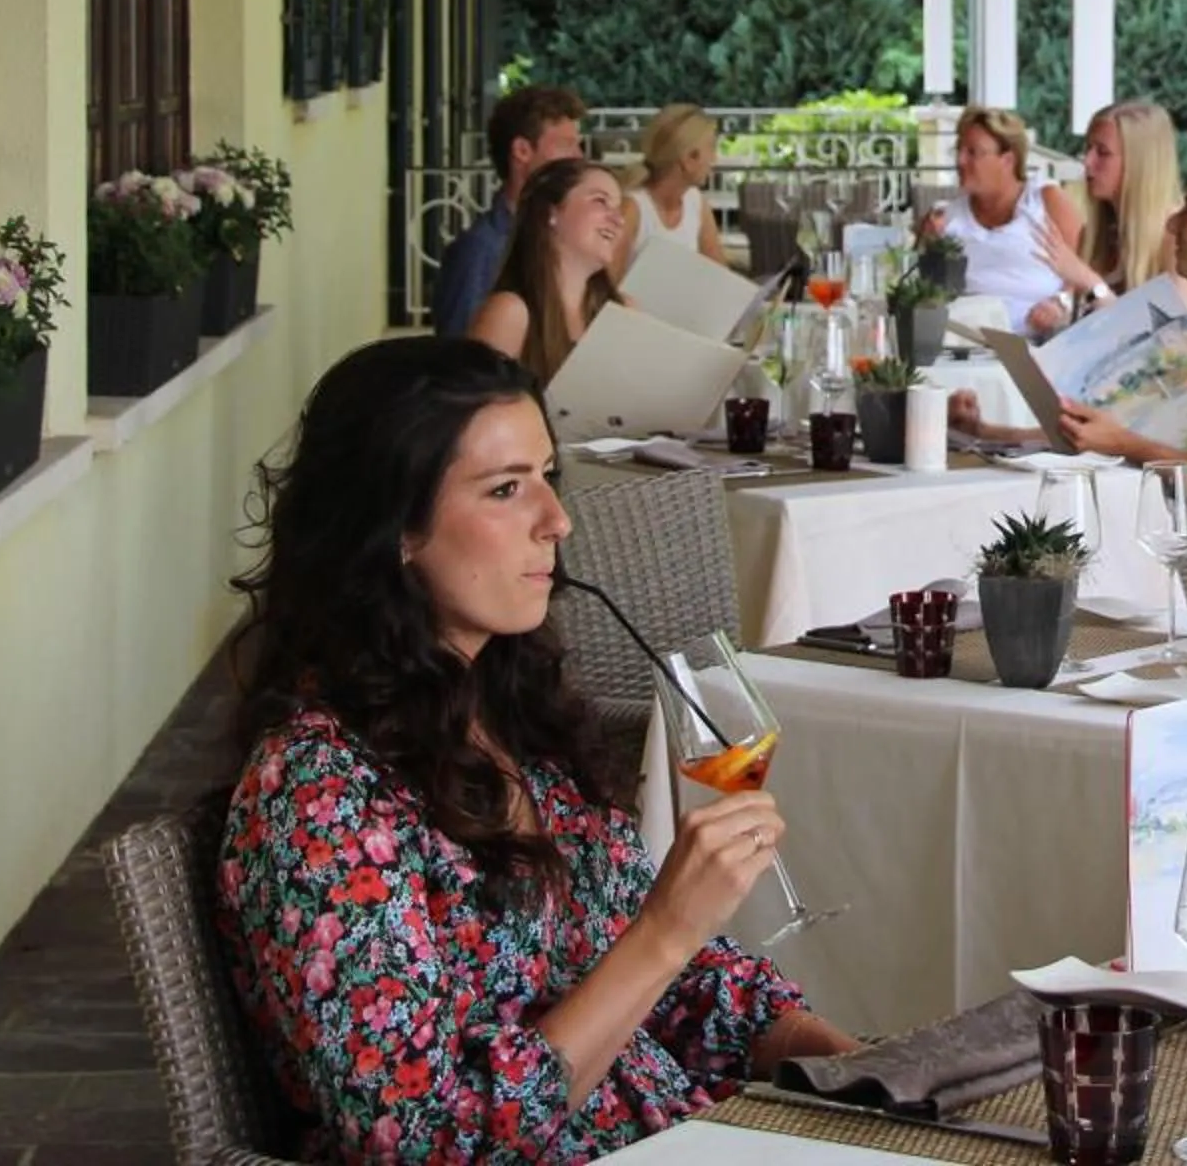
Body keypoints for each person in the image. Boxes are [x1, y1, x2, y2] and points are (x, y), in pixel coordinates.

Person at [217, 337, 857, 1162]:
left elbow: (693, 988)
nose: (557, 521)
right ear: (395, 529)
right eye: (506, 489)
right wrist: (664, 931)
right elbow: (425, 1146)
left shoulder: (514, 717)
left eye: (548, 477)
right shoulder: (317, 796)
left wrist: (862, 1073)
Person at [954, 144, 1187, 525]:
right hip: (1119, 523)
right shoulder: (1186, 338)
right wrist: (985, 434)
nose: (1172, 225)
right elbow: (1096, 433)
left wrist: (1124, 443)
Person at [433, 85, 587, 339]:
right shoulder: (481, 251)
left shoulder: (555, 237)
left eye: (578, 145)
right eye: (566, 145)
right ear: (522, 151)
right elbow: (460, 363)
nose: (578, 157)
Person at [918, 106, 1083, 327]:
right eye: (958, 150)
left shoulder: (1046, 201)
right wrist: (928, 245)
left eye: (973, 152)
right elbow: (922, 291)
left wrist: (1060, 302)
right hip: (965, 346)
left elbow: (1087, 268)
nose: (960, 161)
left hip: (1040, 344)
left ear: (1008, 160)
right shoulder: (945, 217)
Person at [468, 158, 629, 384]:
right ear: (550, 213)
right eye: (600, 201)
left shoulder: (623, 311)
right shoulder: (509, 313)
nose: (619, 220)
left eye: (619, 208)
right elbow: (476, 411)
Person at [1028, 100, 1184, 334]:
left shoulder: (1178, 237)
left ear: (1139, 163)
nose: (1088, 161)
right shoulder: (1095, 235)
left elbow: (1174, 340)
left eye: (1103, 153)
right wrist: (1060, 316)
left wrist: (1092, 284)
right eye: (1088, 149)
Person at [616, 103, 728, 276]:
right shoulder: (632, 209)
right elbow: (607, 289)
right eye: (711, 149)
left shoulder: (696, 203)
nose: (715, 159)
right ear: (688, 159)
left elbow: (721, 277)